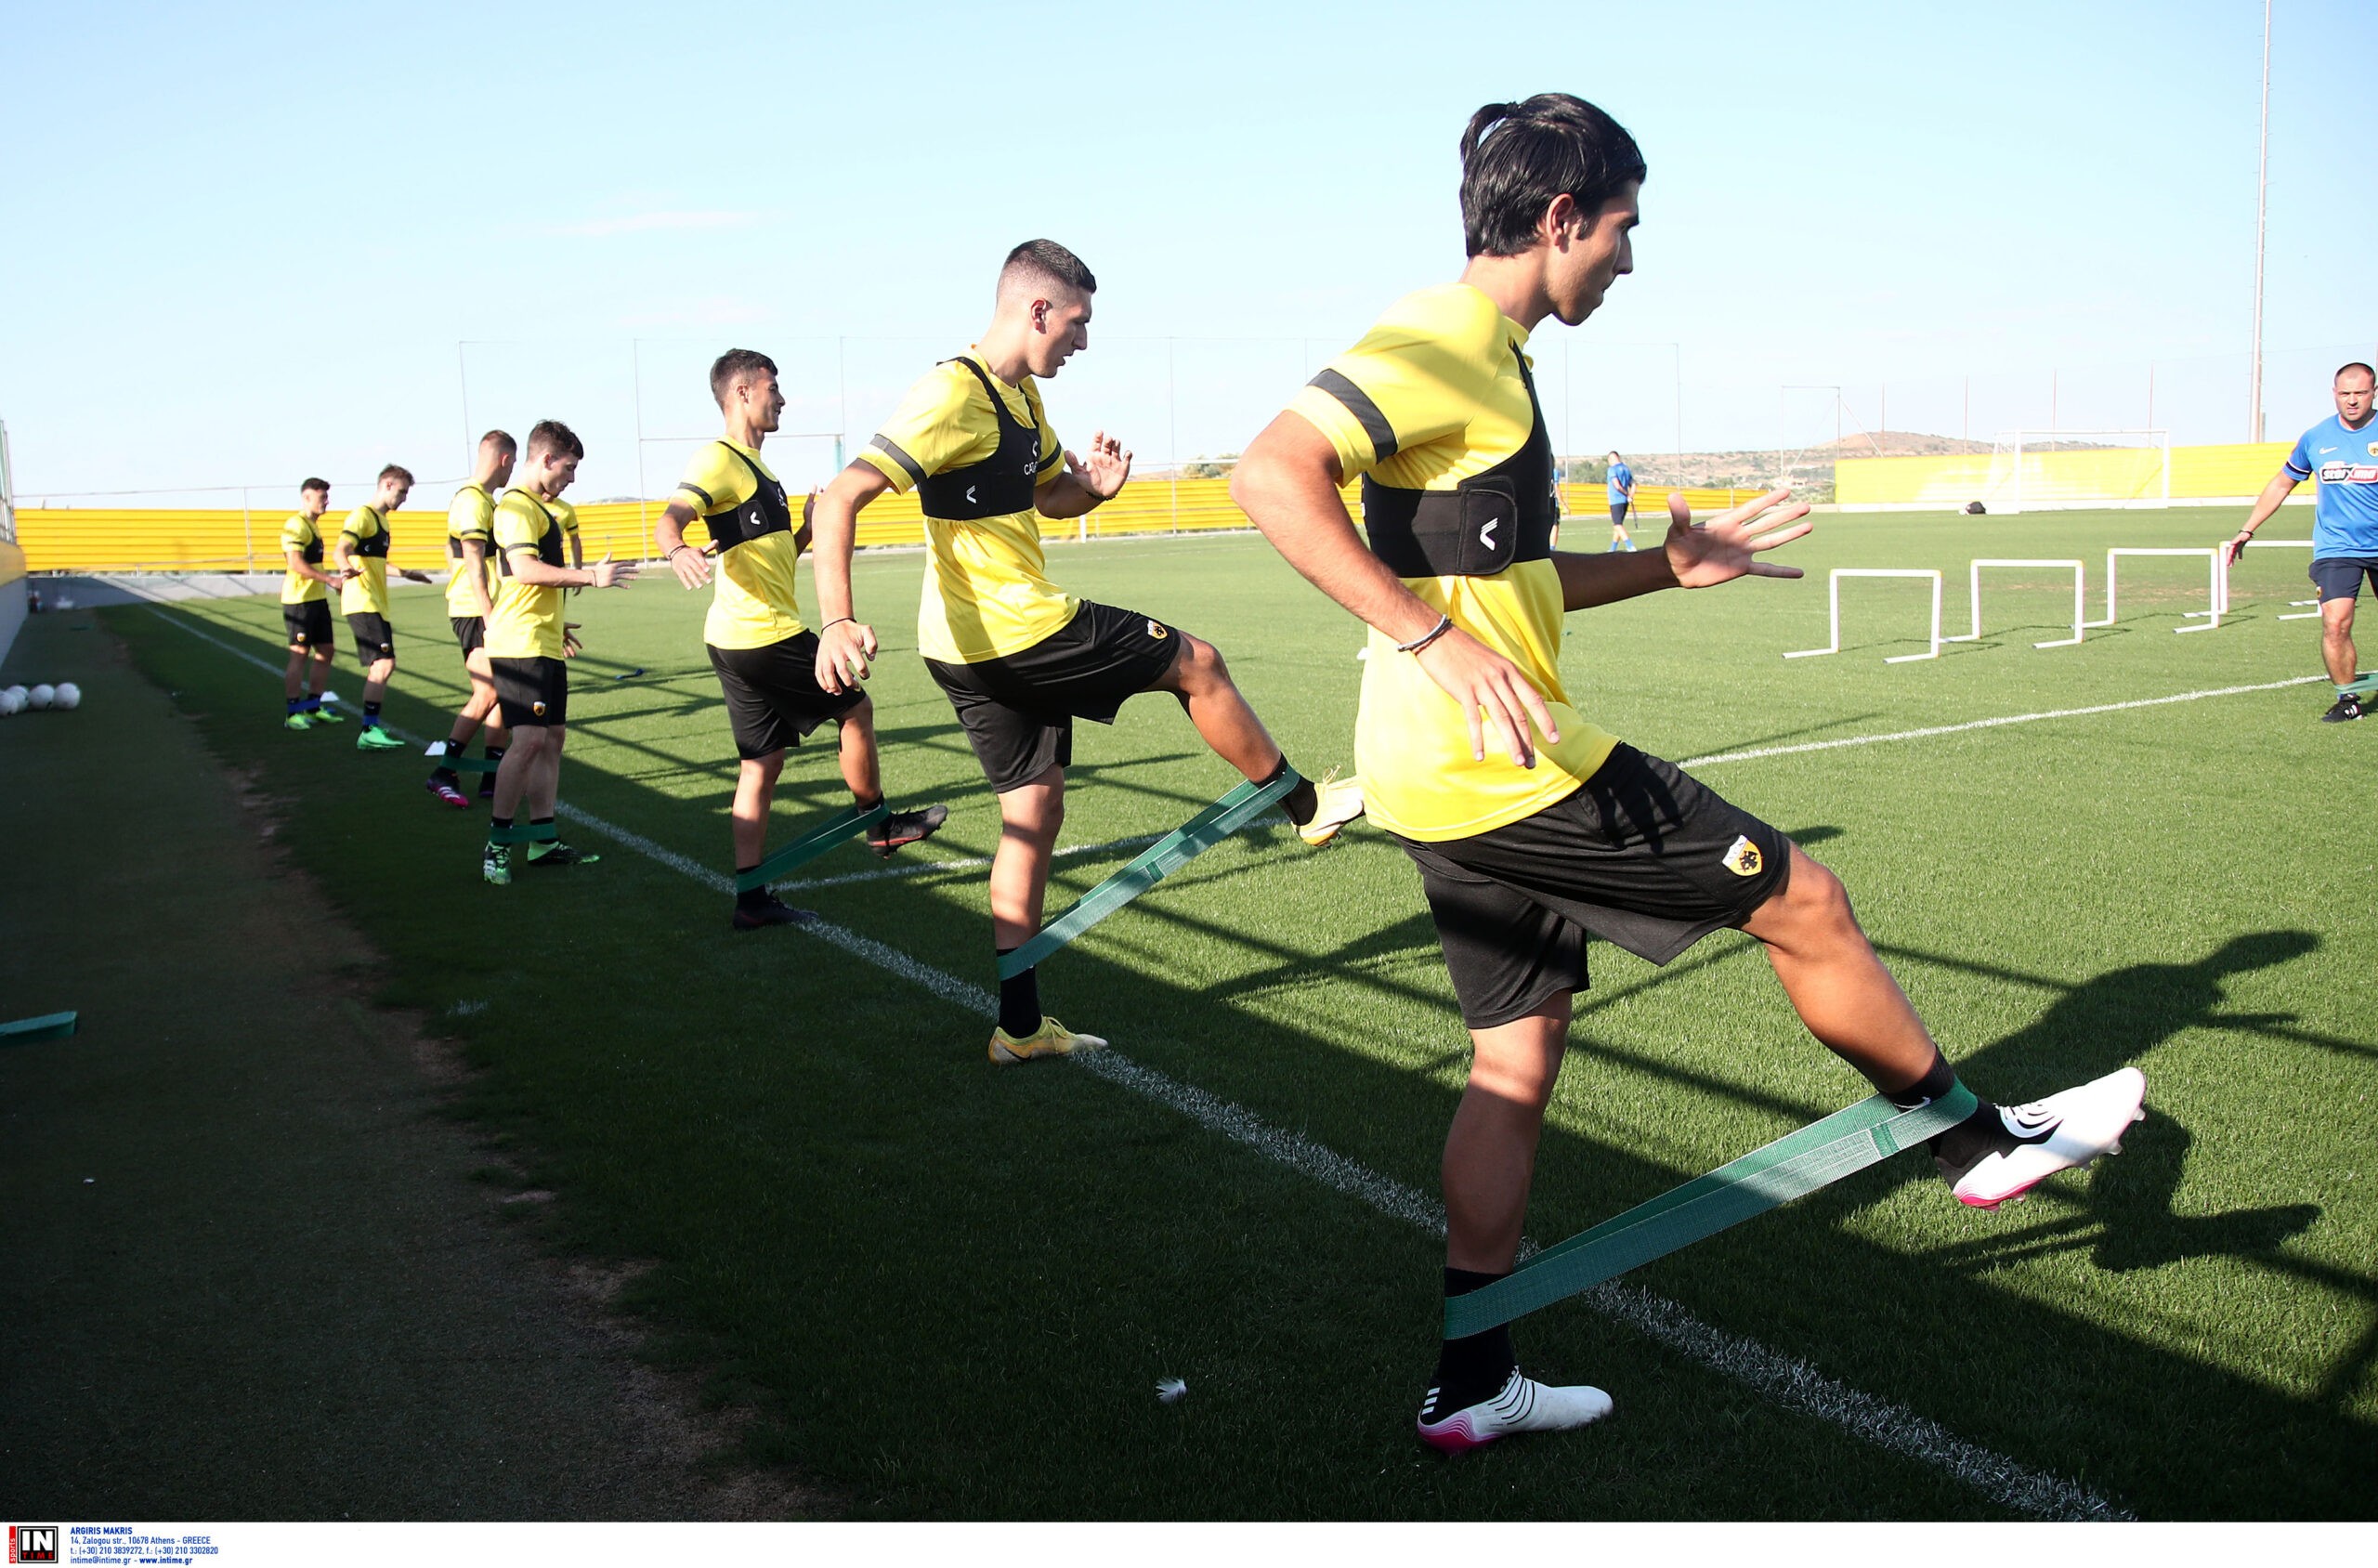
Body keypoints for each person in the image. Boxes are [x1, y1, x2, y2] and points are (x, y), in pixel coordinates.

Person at [1229, 93, 2145, 1455]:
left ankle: (1472, 1380)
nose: (1628, 258)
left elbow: (1510, 576)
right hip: (1504, 770)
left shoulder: (1493, 363)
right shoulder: (1442, 338)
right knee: (1805, 901)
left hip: (1436, 774)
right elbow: (1268, 474)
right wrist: (1426, 635)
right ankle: (1977, 1144)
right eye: (1622, 228)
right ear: (1561, 219)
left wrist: (1664, 566)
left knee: (1512, 1062)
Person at [808, 240, 1364, 1064]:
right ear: (1037, 310)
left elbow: (1047, 495)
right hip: (1018, 629)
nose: (1084, 339)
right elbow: (841, 497)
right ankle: (1306, 809)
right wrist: (836, 621)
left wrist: (1091, 490)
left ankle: (1019, 1028)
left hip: (962, 648)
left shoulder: (1022, 399)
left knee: (1032, 816)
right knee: (1198, 663)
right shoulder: (950, 391)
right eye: (1077, 322)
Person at [654, 349, 952, 929]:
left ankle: (750, 900)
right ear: (742, 392)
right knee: (856, 710)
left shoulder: (760, 471)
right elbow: (671, 519)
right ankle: (880, 826)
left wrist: (807, 531)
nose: (782, 398)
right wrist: (677, 550)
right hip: (764, 636)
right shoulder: (718, 459)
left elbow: (773, 561)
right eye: (773, 387)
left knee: (761, 764)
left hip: (734, 640)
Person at [479, 421, 635, 885]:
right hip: (519, 643)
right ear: (546, 459)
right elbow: (524, 569)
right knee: (528, 740)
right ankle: (497, 845)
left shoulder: (540, 509)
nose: (572, 478)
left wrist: (554, 622)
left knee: (552, 739)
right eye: (568, 468)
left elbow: (528, 583)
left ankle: (543, 841)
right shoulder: (515, 506)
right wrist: (590, 577)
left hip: (541, 639)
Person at [2226, 361, 2378, 722]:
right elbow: (2282, 484)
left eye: (2360, 393)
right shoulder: (2316, 437)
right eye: (2345, 393)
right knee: (2335, 622)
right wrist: (2247, 529)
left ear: (2374, 393)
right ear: (2334, 394)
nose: (2352, 400)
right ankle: (2348, 699)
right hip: (2337, 548)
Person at [426, 431, 518, 805]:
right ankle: (444, 771)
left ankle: (491, 776)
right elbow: (474, 559)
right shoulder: (472, 500)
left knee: (501, 694)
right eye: (512, 465)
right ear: (505, 460)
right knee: (488, 691)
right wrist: (488, 612)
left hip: (487, 608)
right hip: (474, 609)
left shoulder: (482, 500)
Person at [336, 464, 431, 751]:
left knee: (381, 664)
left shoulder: (383, 521)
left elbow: (375, 562)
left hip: (376, 603)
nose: (403, 499)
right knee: (384, 663)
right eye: (401, 492)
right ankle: (368, 730)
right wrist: (343, 567)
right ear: (387, 485)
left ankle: (370, 727)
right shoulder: (362, 515)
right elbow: (341, 549)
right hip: (362, 600)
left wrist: (406, 573)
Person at [278, 477, 346, 730]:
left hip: (316, 600)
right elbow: (295, 563)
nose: (326, 501)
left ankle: (313, 706)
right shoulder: (295, 525)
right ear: (306, 498)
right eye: (322, 497)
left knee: (326, 650)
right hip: (299, 601)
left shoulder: (313, 526)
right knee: (299, 654)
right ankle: (293, 713)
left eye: (326, 497)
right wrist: (329, 579)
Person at [1603, 450, 1635, 551]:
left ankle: (1630, 546)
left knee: (1617, 525)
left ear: (1611, 459)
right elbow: (1633, 484)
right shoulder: (1626, 468)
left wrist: (1626, 493)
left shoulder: (1612, 470)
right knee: (1618, 524)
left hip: (1616, 500)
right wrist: (1630, 495)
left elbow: (1617, 485)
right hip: (1625, 501)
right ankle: (1612, 549)